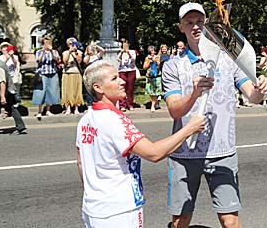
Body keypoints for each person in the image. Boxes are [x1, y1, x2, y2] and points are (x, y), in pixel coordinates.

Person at [162, 2, 267, 228]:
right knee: (181, 220)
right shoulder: (173, 66)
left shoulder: (228, 59)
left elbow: (251, 95)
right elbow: (174, 110)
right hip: (184, 153)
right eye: (189, 23)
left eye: (200, 21)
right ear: (181, 27)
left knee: (230, 221)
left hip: (223, 152)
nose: (196, 27)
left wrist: (261, 89)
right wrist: (194, 94)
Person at [76, 61, 205, 228]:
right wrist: (190, 128)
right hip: (119, 211)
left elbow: (81, 162)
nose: (122, 81)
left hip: (93, 207)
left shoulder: (86, 119)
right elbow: (153, 153)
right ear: (98, 88)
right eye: (114, 79)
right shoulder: (114, 121)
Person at [32, 36, 61, 120]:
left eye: (48, 42)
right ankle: (39, 111)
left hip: (52, 73)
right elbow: (38, 61)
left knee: (51, 92)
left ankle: (48, 110)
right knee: (40, 92)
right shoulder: (39, 52)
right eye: (45, 42)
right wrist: (43, 51)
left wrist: (51, 51)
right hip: (42, 74)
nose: (47, 44)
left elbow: (57, 59)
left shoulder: (54, 51)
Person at [0, 56, 27, 134]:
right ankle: (21, 127)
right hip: (8, 91)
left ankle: (21, 126)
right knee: (12, 108)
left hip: (4, 92)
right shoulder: (1, 64)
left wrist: (2, 96)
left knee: (11, 108)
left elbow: (2, 82)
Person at [61, 37, 84, 115]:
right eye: (70, 43)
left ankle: (76, 107)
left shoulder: (79, 52)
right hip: (67, 73)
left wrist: (76, 52)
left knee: (76, 91)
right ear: (67, 44)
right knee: (67, 91)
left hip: (76, 73)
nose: (72, 44)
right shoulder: (65, 52)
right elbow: (65, 61)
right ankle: (67, 107)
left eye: (73, 43)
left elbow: (79, 61)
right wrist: (70, 52)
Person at [0, 43, 22, 107]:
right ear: (1, 49)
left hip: (14, 77)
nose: (5, 49)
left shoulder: (15, 56)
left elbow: (16, 65)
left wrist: (11, 56)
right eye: (3, 47)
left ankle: (15, 105)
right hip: (5, 77)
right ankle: (7, 108)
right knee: (7, 92)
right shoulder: (0, 57)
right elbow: (1, 66)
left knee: (15, 92)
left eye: (6, 47)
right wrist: (6, 58)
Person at [83, 43, 105, 110]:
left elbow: (103, 51)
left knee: (98, 89)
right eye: (89, 49)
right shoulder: (87, 57)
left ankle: (99, 103)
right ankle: (89, 105)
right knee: (89, 90)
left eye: (92, 49)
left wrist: (96, 46)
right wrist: (88, 54)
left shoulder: (97, 56)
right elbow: (85, 61)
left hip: (97, 74)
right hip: (89, 75)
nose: (91, 50)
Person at [117, 38, 137, 111]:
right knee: (122, 87)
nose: (124, 44)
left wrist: (128, 53)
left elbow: (133, 60)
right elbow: (118, 60)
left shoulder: (132, 51)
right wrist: (122, 53)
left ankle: (130, 104)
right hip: (122, 70)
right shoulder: (120, 52)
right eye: (123, 43)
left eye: (126, 43)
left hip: (131, 70)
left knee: (130, 88)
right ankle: (122, 105)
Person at [143, 45, 162, 112]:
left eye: (153, 51)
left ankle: (152, 106)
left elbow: (159, 67)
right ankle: (156, 102)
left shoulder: (157, 57)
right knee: (150, 92)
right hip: (149, 76)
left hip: (156, 76)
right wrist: (149, 62)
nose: (152, 52)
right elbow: (144, 68)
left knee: (155, 92)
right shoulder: (147, 58)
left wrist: (156, 62)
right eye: (150, 51)